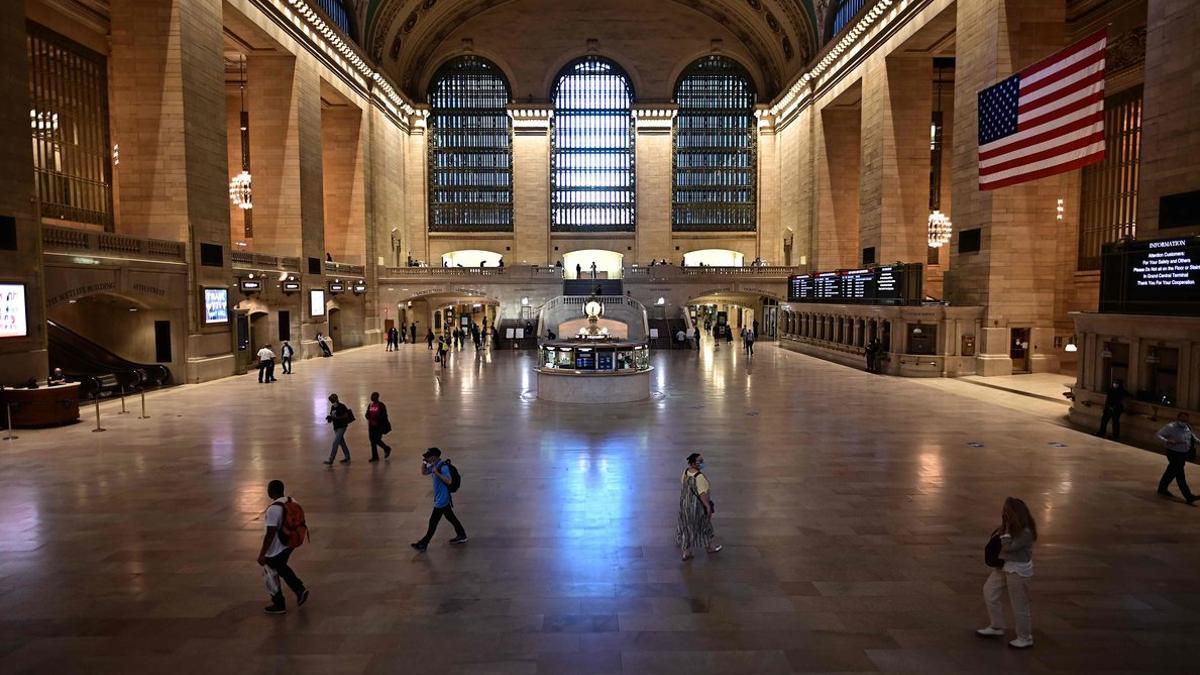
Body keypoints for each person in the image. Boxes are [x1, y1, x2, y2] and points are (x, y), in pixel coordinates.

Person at [977, 497, 1037, 649]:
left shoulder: (1026, 532)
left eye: (1006, 511)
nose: (1003, 514)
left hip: (1017, 570)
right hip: (1003, 566)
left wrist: (1004, 535)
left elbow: (1010, 547)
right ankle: (997, 626)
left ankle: (1025, 637)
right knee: (989, 592)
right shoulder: (1007, 527)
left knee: (1019, 605)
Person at [258, 479, 309, 615]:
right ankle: (299, 590)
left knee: (270, 571)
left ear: (271, 491)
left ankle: (279, 603)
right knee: (281, 567)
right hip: (289, 543)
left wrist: (262, 553)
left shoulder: (273, 509)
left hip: (276, 547)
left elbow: (270, 533)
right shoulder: (292, 501)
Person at [411, 447, 467, 551]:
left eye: (428, 457)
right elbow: (423, 472)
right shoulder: (434, 465)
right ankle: (462, 535)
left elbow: (449, 481)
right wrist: (424, 462)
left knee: (433, 522)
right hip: (440, 498)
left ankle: (423, 543)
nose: (427, 458)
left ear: (435, 457)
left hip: (442, 499)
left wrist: (437, 473)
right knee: (451, 517)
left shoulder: (443, 467)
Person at [675, 453, 721, 561]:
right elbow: (702, 494)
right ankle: (709, 546)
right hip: (697, 507)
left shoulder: (686, 472)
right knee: (704, 526)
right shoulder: (699, 477)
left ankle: (686, 552)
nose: (702, 463)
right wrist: (708, 506)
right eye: (699, 461)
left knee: (685, 527)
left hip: (685, 505)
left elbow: (683, 484)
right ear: (692, 463)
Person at [1156, 412, 1199, 504]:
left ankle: (1162, 488)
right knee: (1180, 474)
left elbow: (1193, 437)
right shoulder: (1171, 427)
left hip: (1183, 454)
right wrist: (1167, 440)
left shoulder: (1188, 427)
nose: (1183, 421)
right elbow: (1159, 434)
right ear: (1177, 418)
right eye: (1182, 419)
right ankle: (1188, 496)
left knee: (1171, 471)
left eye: (1185, 420)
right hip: (1173, 453)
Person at [323, 394, 353, 465]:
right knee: (342, 442)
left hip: (342, 427)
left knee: (335, 442)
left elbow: (345, 416)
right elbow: (333, 416)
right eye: (331, 400)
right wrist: (330, 418)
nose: (332, 402)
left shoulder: (342, 406)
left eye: (332, 400)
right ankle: (347, 456)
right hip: (336, 428)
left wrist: (335, 418)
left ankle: (331, 459)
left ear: (336, 399)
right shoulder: (333, 407)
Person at [365, 392, 392, 462]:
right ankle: (375, 456)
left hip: (378, 426)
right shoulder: (370, 405)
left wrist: (376, 418)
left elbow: (384, 415)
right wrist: (369, 417)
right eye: (372, 396)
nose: (372, 397)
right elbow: (367, 414)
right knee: (372, 441)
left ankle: (386, 448)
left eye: (374, 396)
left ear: (377, 397)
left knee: (376, 439)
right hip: (371, 425)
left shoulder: (381, 405)